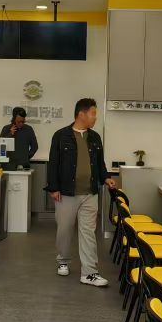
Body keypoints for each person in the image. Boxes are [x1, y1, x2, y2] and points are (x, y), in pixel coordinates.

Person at [46, 97, 118, 287]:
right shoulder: (61, 136)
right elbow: (53, 163)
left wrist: (106, 178)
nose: (95, 117)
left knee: (88, 232)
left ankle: (89, 272)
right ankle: (63, 260)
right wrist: (54, 188)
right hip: (66, 193)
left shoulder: (95, 137)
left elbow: (100, 163)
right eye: (93, 113)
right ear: (81, 114)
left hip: (90, 193)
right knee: (64, 229)